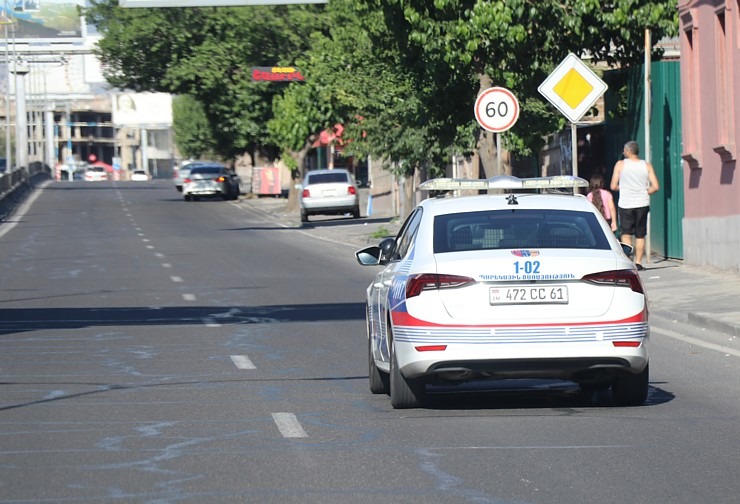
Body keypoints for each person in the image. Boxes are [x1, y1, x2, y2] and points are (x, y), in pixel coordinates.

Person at [610, 140, 660, 270]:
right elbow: (655, 186)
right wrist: (644, 191)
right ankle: (638, 262)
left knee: (626, 234)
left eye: (624, 151)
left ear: (628, 151)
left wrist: (625, 188)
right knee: (640, 234)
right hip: (642, 203)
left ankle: (628, 260)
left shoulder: (620, 165)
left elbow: (613, 186)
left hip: (626, 203)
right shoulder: (646, 165)